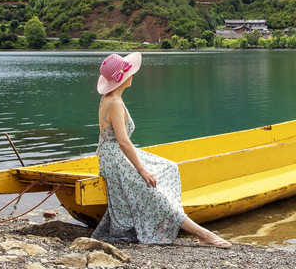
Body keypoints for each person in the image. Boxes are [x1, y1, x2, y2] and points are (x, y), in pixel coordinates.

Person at [91, 52, 231, 248]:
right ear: (123, 78)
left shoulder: (113, 98)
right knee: (150, 187)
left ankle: (176, 213)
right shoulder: (113, 102)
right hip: (114, 157)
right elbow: (123, 141)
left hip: (114, 153)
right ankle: (202, 233)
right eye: (130, 72)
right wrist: (141, 169)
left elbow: (120, 142)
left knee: (169, 167)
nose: (133, 75)